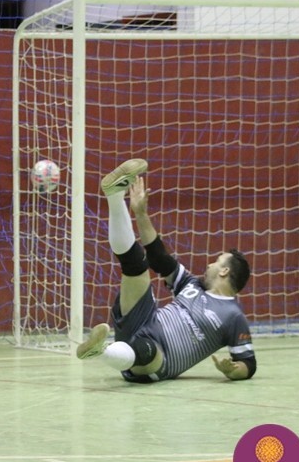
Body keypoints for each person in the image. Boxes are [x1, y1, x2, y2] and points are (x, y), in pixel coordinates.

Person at [76, 159, 256, 382]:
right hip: (145, 320)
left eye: (216, 262)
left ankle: (101, 351)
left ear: (224, 271)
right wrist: (140, 213)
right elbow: (159, 258)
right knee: (136, 264)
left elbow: (248, 364)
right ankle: (114, 195)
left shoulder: (233, 316)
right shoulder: (191, 285)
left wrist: (233, 370)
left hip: (159, 359)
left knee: (147, 348)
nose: (209, 265)